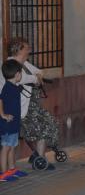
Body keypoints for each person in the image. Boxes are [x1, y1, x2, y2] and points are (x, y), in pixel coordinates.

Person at [5, 38, 59, 170]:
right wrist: (36, 79)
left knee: (48, 123)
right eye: (26, 48)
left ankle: (38, 157)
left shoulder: (24, 64)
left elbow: (40, 72)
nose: (29, 50)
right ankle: (40, 159)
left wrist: (37, 77)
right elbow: (23, 79)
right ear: (18, 50)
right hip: (18, 108)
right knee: (41, 128)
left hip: (30, 105)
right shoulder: (10, 65)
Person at [0, 60, 27, 183]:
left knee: (12, 147)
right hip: (7, 124)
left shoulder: (13, 87)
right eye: (21, 73)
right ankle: (3, 173)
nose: (21, 75)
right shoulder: (7, 88)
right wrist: (3, 114)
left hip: (14, 124)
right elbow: (0, 101)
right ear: (17, 74)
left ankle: (12, 169)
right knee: (6, 148)